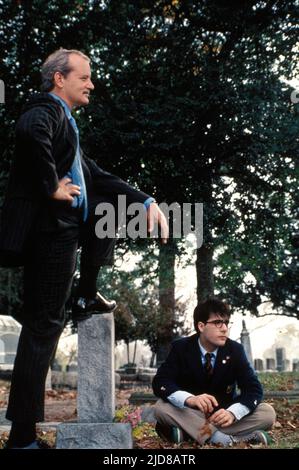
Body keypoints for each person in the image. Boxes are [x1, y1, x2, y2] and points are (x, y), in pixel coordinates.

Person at [0, 48, 168, 449]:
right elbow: (28, 132)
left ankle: (86, 293)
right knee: (42, 329)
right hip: (50, 235)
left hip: (66, 231)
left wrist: (146, 200)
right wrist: (51, 185)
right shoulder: (46, 109)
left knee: (109, 210)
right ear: (60, 79)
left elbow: (98, 176)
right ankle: (22, 438)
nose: (92, 83)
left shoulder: (67, 129)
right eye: (85, 76)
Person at [152, 298, 276, 447]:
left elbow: (253, 389)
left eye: (226, 322)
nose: (224, 328)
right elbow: (161, 382)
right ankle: (228, 439)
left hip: (222, 415)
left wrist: (233, 413)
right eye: (218, 323)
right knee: (161, 407)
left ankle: (191, 433)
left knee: (267, 413)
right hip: (190, 412)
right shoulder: (181, 347)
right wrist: (190, 399)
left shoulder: (234, 350)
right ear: (201, 326)